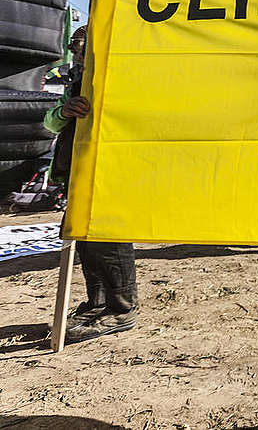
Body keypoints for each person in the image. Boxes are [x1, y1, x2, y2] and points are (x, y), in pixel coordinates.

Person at [44, 25, 138, 343]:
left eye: (82, 48)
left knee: (108, 239)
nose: (77, 54)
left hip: (112, 168)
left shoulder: (122, 76)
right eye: (74, 48)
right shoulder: (78, 79)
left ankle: (122, 310)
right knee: (85, 241)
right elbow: (49, 122)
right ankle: (98, 303)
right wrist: (64, 111)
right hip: (80, 169)